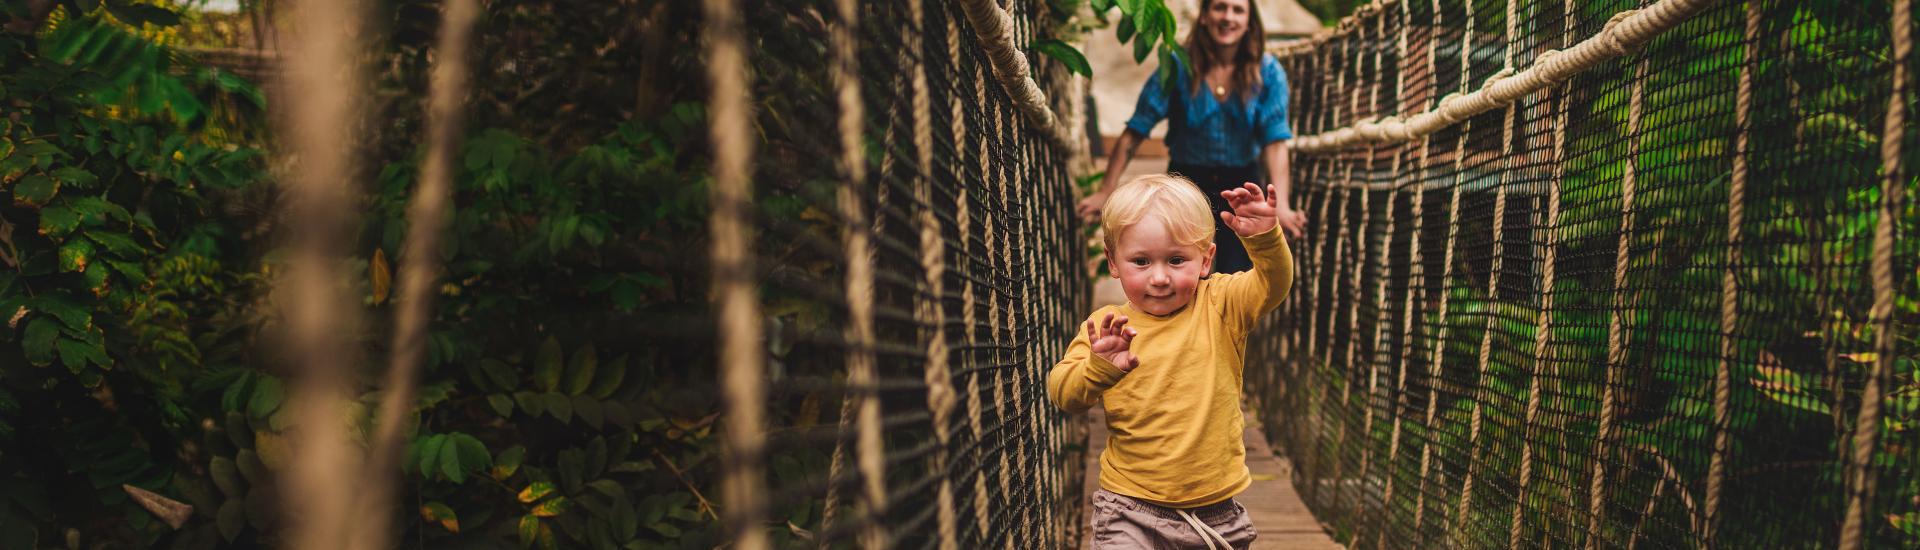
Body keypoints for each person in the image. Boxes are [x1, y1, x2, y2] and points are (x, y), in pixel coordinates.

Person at [1048, 174, 1293, 549]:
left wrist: (1264, 239)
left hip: (1216, 513)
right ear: (1113, 262)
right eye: (1141, 261)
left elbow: (1272, 284)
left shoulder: (1221, 304)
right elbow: (1064, 394)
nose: (1160, 277)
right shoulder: (1107, 328)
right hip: (1130, 509)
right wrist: (1099, 369)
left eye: (1176, 260)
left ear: (1206, 259)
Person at [1078, 0, 1306, 273]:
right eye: (1219, 7)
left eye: (1237, 10)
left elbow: (1275, 142)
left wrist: (1282, 206)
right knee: (1184, 272)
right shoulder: (1178, 66)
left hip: (1242, 187)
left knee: (1239, 276)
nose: (1228, 17)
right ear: (1204, 16)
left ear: (1249, 22)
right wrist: (1106, 190)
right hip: (1185, 185)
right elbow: (1135, 131)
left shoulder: (1267, 72)